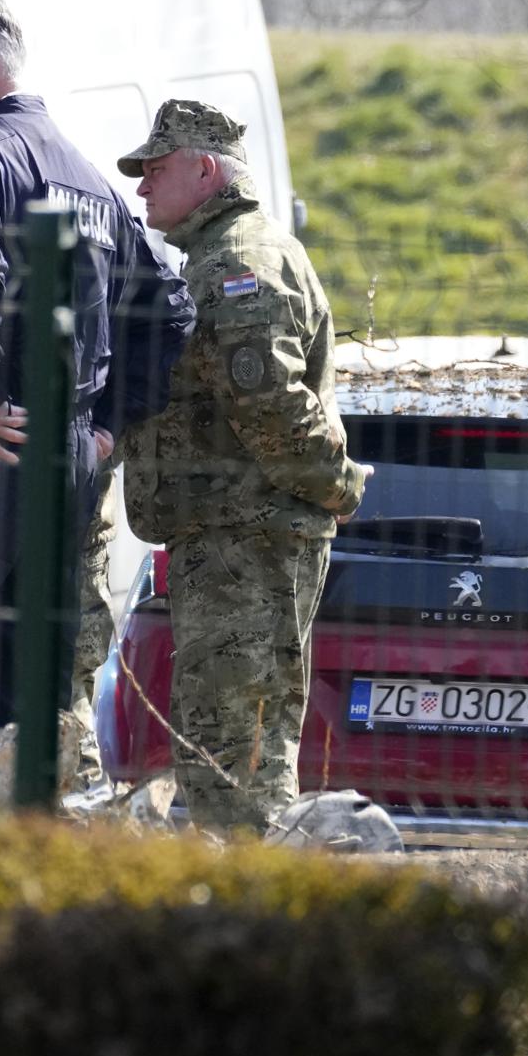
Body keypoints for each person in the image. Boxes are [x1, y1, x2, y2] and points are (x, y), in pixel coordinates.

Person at [0, 0, 192, 749]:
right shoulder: (86, 174)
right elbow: (170, 306)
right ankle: (20, 843)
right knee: (25, 695)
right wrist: (101, 430)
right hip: (62, 462)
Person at [118, 100, 366, 831]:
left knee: (239, 749)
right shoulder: (220, 252)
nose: (142, 187)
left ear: (205, 169)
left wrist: (339, 485)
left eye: (156, 169)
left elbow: (272, 404)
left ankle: (252, 898)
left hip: (247, 542)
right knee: (225, 738)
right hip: (229, 537)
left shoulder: (238, 263)